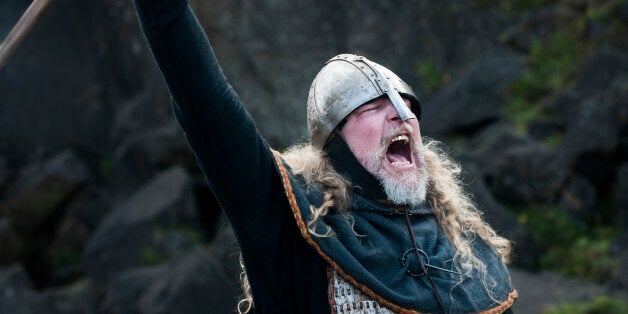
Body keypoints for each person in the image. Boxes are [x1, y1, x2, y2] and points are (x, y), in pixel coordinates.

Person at [133, 0, 518, 313]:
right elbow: (205, 102)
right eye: (372, 107)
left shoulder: (469, 250)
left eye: (406, 106)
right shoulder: (296, 227)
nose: (401, 115)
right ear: (336, 142)